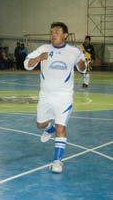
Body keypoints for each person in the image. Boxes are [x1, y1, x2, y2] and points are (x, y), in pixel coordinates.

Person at [24, 22, 86, 173]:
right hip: (45, 95)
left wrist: (81, 64)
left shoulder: (74, 51)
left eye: (57, 32)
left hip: (64, 96)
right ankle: (49, 128)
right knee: (40, 124)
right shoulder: (43, 49)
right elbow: (27, 64)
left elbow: (83, 68)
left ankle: (57, 160)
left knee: (61, 127)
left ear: (65, 35)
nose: (53, 34)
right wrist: (39, 58)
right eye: (52, 32)